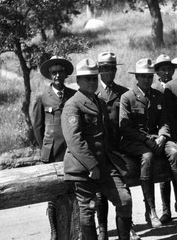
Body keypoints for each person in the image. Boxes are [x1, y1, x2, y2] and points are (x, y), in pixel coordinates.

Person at [61, 58, 133, 240]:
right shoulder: (73, 105)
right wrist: (91, 165)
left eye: (94, 78)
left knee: (125, 200)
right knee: (88, 210)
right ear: (78, 81)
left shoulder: (99, 102)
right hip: (84, 169)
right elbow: (74, 140)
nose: (92, 82)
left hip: (105, 164)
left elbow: (107, 135)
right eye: (87, 79)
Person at [119, 59, 177, 228]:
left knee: (176, 153)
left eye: (149, 76)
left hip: (157, 139)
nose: (147, 80)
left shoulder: (158, 96)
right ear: (137, 77)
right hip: (135, 141)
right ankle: (151, 210)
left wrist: (163, 136)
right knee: (147, 158)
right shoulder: (127, 97)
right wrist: (147, 140)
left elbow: (165, 121)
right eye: (143, 76)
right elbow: (125, 127)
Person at [32, 56, 76, 239]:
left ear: (65, 73)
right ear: (49, 75)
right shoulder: (42, 97)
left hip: (71, 149)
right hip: (51, 151)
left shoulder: (73, 95)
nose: (57, 75)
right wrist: (44, 148)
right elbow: (37, 127)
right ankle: (54, 230)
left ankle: (75, 230)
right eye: (54, 72)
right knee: (52, 195)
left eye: (60, 71)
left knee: (73, 190)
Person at [95, 52, 131, 239]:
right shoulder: (92, 93)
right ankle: (102, 229)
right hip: (100, 150)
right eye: (105, 68)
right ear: (99, 71)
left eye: (113, 68)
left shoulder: (124, 92)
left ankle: (126, 228)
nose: (110, 72)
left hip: (119, 148)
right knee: (101, 193)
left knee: (123, 189)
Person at [154, 53, 177, 224]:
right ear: (157, 72)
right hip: (158, 134)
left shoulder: (176, 87)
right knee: (162, 174)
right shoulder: (154, 88)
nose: (166, 72)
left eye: (168, 69)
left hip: (175, 133)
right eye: (162, 69)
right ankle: (165, 209)